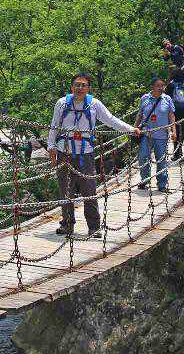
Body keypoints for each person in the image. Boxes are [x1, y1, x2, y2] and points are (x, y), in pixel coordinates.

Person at [47, 72, 140, 237]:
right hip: (64, 152)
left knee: (89, 190)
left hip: (85, 153)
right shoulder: (61, 103)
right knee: (65, 190)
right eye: (77, 84)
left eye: (83, 85)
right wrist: (51, 147)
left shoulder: (94, 104)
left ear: (88, 88)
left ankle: (94, 227)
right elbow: (54, 125)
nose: (79, 88)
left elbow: (110, 120)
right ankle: (67, 225)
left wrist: (130, 129)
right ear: (71, 87)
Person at [134, 77, 176, 193]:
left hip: (162, 136)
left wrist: (174, 131)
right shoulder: (145, 98)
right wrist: (134, 128)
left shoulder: (167, 99)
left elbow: (171, 116)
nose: (160, 88)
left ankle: (162, 185)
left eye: (162, 86)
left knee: (161, 160)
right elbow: (140, 114)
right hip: (146, 134)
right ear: (152, 87)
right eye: (158, 86)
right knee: (143, 157)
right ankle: (145, 180)